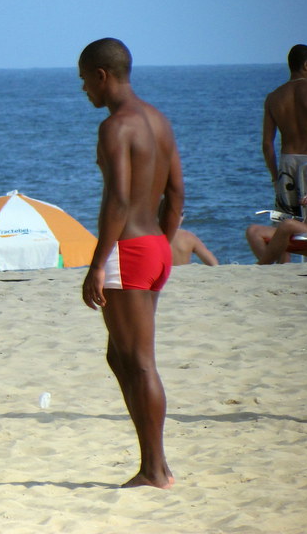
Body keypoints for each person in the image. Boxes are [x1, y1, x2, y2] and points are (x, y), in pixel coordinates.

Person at [78, 38, 183, 490]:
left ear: (102, 75)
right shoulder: (158, 120)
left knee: (139, 362)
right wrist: (163, 242)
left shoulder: (115, 126)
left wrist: (98, 263)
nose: (84, 89)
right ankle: (152, 462)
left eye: (85, 80)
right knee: (119, 355)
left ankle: (155, 469)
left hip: (130, 249)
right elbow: (177, 194)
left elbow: (118, 199)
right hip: (156, 245)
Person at [261, 44, 307, 217]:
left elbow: (267, 145)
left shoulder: (273, 97)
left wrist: (276, 178)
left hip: (286, 164)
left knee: (289, 225)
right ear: (306, 65)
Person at [245, 193, 307, 264]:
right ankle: (272, 268)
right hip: (306, 231)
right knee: (254, 231)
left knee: (288, 225)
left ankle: (262, 264)